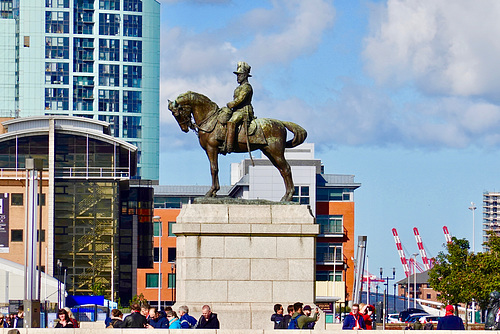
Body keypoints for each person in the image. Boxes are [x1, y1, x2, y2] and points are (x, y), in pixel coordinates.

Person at [224, 61, 255, 153]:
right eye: (237, 75)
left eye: (240, 75)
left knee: (231, 121)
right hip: (236, 110)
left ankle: (229, 146)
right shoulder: (238, 87)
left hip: (243, 111)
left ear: (245, 75)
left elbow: (240, 99)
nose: (238, 77)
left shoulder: (247, 87)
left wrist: (231, 104)